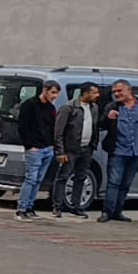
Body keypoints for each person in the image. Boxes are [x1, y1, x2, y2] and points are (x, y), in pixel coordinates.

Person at [99, 79, 138, 222]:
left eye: (119, 91)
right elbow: (100, 125)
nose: (116, 94)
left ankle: (118, 211)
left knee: (126, 183)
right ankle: (107, 212)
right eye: (114, 92)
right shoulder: (112, 107)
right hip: (117, 151)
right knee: (114, 182)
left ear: (129, 90)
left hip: (136, 152)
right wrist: (107, 117)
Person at [52, 82, 100, 218]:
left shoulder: (94, 108)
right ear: (85, 93)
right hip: (70, 149)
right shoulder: (69, 108)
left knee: (81, 177)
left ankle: (76, 206)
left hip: (87, 148)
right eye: (94, 93)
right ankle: (57, 206)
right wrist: (60, 151)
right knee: (63, 177)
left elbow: (95, 126)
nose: (97, 95)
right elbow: (59, 132)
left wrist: (93, 145)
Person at [15, 80, 59, 221]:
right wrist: (29, 145)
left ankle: (30, 207)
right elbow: (22, 126)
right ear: (45, 90)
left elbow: (52, 127)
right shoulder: (29, 105)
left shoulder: (51, 108)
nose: (54, 96)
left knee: (38, 179)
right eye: (52, 92)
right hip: (35, 149)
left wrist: (52, 145)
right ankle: (21, 209)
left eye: (57, 93)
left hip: (47, 148)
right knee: (31, 178)